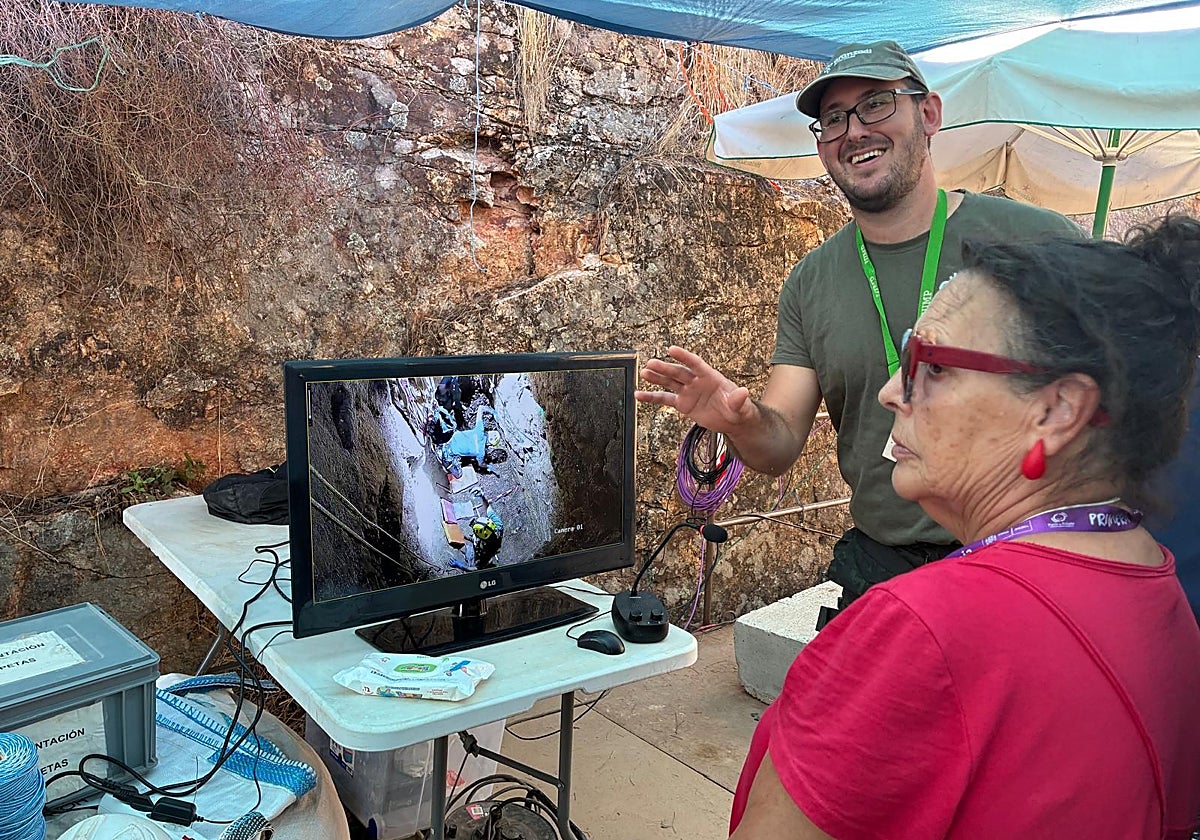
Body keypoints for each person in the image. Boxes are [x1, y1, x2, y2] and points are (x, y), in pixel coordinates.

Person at [728, 216, 1200, 839]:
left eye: (933, 364)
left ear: (1056, 411)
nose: (892, 393)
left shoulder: (926, 628)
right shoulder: (1149, 579)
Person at [636, 40, 1082, 608]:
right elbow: (777, 448)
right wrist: (739, 419)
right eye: (833, 119)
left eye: (876, 104)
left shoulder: (1039, 242)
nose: (853, 130)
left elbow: (1120, 403)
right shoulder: (810, 282)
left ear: (928, 114)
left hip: (1027, 557)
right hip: (885, 568)